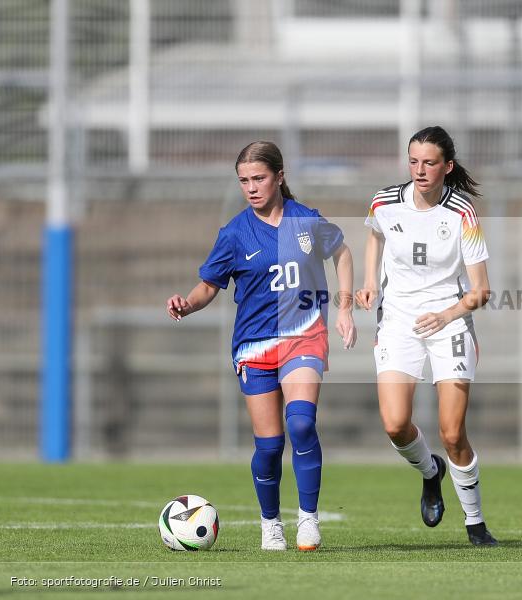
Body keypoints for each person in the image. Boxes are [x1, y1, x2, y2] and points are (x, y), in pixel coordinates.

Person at [165, 141, 356, 552]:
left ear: (279, 176)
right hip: (255, 346)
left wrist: (344, 309)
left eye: (259, 178)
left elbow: (342, 252)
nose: (251, 187)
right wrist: (187, 303)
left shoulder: (306, 220)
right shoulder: (234, 233)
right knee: (269, 446)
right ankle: (271, 523)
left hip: (304, 334)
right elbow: (207, 287)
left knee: (301, 423)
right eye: (244, 181)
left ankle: (307, 519)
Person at [355, 126, 497, 546]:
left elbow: (481, 291)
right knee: (395, 423)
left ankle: (475, 524)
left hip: (449, 322)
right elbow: (375, 235)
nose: (419, 170)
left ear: (447, 167)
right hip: (398, 322)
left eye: (429, 162)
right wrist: (370, 282)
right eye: (413, 161)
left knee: (453, 433)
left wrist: (447, 314)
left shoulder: (462, 213)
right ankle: (431, 471)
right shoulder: (385, 201)